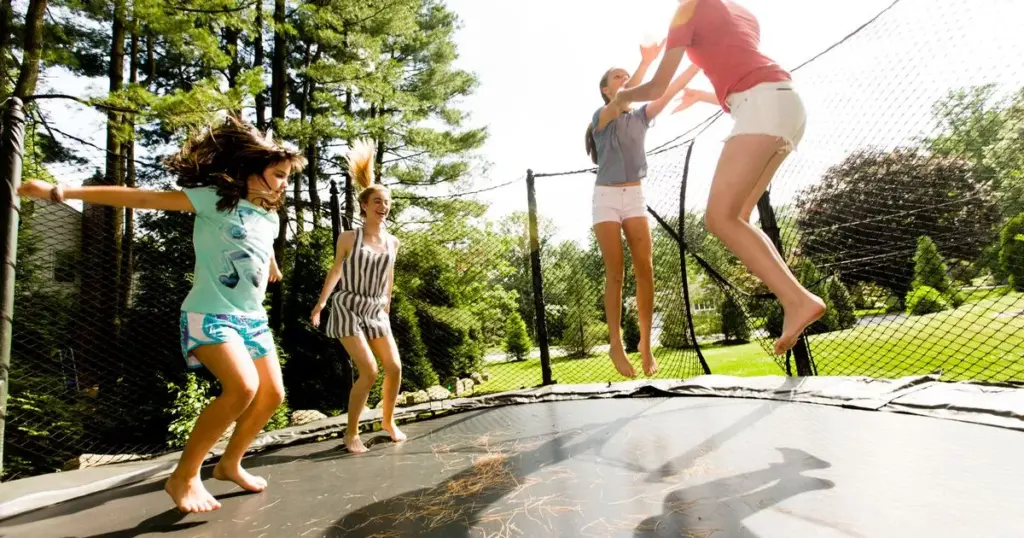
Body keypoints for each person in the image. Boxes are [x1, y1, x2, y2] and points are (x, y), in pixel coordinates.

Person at [17, 117, 306, 513]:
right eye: (279, 175)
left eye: (288, 177)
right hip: (211, 314)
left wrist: (270, 261)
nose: (285, 184)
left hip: (253, 319)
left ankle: (229, 464)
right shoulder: (213, 200)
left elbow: (259, 238)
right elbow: (141, 199)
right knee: (242, 388)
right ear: (249, 171)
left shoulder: (269, 216)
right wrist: (60, 191)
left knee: (272, 394)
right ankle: (184, 476)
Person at [613, 0, 826, 356]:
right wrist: (701, 95)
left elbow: (658, 86)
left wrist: (621, 97)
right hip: (786, 106)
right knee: (737, 217)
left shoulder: (688, 8)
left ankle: (798, 299)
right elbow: (743, 75)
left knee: (719, 219)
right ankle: (796, 300)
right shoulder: (742, 12)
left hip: (762, 109)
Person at [585, 43, 702, 379]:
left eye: (626, 76)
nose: (623, 80)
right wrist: (646, 62)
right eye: (617, 77)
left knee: (645, 269)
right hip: (606, 197)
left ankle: (646, 343)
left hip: (634, 196)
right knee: (615, 272)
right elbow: (624, 97)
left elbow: (669, 87)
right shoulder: (601, 117)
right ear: (605, 89)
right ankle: (615, 343)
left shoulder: (642, 117)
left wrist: (698, 62)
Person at [311, 139, 405, 454]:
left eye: (387, 202)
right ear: (365, 205)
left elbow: (389, 275)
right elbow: (336, 270)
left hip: (376, 310)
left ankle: (387, 421)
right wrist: (321, 304)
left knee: (394, 367)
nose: (383, 206)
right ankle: (351, 433)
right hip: (348, 306)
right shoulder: (349, 237)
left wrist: (387, 303)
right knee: (370, 371)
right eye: (377, 201)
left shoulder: (393, 242)